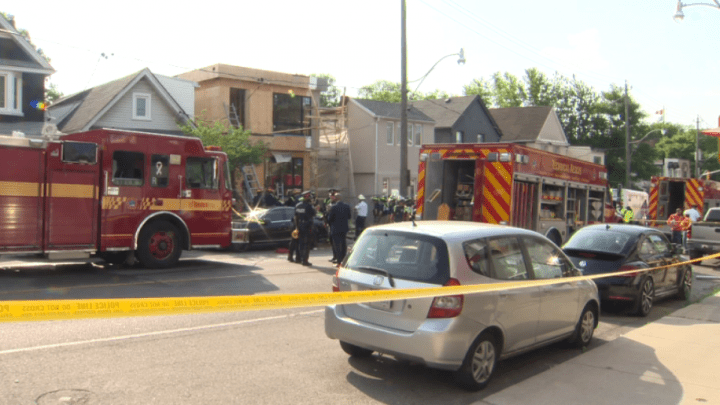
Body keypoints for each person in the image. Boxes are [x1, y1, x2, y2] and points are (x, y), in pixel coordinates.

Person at [327, 193, 352, 264]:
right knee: (344, 244)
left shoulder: (334, 207)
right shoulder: (347, 206)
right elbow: (349, 217)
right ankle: (344, 260)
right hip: (344, 228)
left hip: (335, 229)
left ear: (336, 198)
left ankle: (339, 261)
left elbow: (329, 219)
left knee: (337, 246)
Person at [294, 192, 316, 266]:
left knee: (301, 243)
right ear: (308, 197)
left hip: (300, 225)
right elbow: (314, 214)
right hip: (307, 226)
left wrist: (297, 227)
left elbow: (296, 217)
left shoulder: (298, 205)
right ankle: (305, 260)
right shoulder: (309, 206)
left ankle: (300, 258)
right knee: (307, 244)